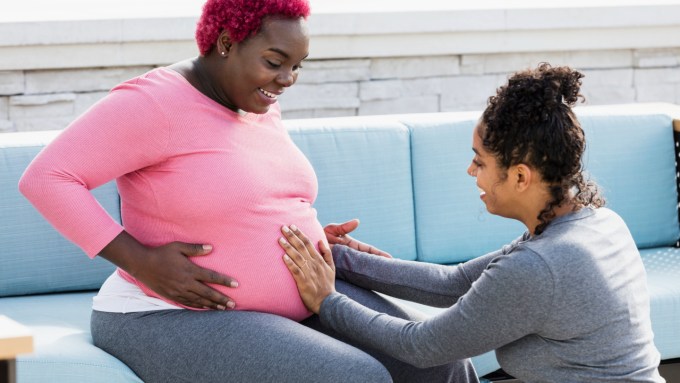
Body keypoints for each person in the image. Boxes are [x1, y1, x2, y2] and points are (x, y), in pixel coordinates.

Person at [19, 0, 479, 382]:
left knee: (440, 359)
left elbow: (252, 195)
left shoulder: (252, 102)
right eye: (275, 63)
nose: (286, 80)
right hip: (165, 315)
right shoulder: (155, 102)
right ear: (225, 44)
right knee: (353, 377)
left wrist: (309, 233)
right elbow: (47, 178)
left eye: (297, 66)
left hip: (301, 299)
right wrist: (142, 261)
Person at [279, 63, 665, 382]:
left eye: (480, 162)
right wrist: (340, 259)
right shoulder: (592, 222)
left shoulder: (541, 266)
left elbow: (421, 346)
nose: (470, 171)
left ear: (519, 176)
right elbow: (456, 282)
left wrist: (328, 301)